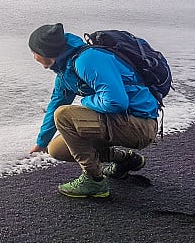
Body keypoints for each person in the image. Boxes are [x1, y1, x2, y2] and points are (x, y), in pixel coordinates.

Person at [28, 23, 159, 198]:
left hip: (140, 124)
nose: (33, 56)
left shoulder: (87, 59)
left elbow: (116, 102)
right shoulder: (65, 72)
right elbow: (55, 105)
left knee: (64, 115)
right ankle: (125, 160)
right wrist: (41, 142)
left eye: (34, 52)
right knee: (57, 149)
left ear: (45, 53)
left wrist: (85, 100)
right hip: (120, 121)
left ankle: (94, 180)